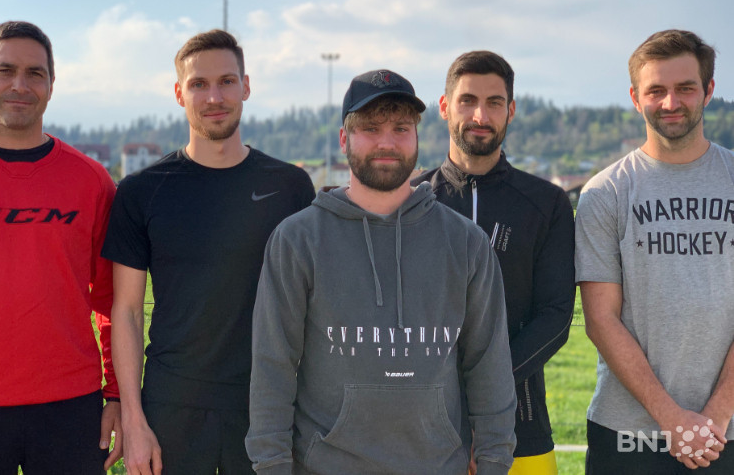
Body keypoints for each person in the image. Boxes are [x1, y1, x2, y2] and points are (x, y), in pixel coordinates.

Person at [246, 69, 517, 474]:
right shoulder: (298, 240)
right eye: (370, 128)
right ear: (344, 140)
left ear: (417, 137)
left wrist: (494, 462)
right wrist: (271, 467)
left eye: (400, 128)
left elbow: (488, 365)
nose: (386, 142)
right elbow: (272, 367)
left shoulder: (465, 242)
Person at [104, 29, 315, 475]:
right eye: (199, 84)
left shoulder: (290, 187)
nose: (214, 96)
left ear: (247, 86)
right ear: (180, 93)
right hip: (172, 406)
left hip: (267, 406)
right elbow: (125, 311)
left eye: (226, 81)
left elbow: (313, 306)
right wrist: (135, 419)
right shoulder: (141, 192)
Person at [0, 21, 121, 474]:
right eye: (5, 70)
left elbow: (112, 299)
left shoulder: (90, 181)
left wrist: (117, 395)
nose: (20, 85)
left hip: (71, 409)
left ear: (52, 85)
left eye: (35, 73)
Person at [576, 29, 734, 474]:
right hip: (627, 431)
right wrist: (672, 419)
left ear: (709, 90)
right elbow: (601, 320)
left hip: (729, 428)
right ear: (634, 97)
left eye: (685, 88)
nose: (670, 103)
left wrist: (717, 414)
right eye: (656, 91)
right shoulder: (605, 193)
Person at [413, 51, 575, 474]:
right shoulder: (408, 202)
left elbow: (555, 319)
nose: (480, 115)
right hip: (419, 434)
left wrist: (482, 399)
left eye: (495, 102)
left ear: (512, 110)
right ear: (445, 106)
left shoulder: (547, 204)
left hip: (522, 431)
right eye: (467, 100)